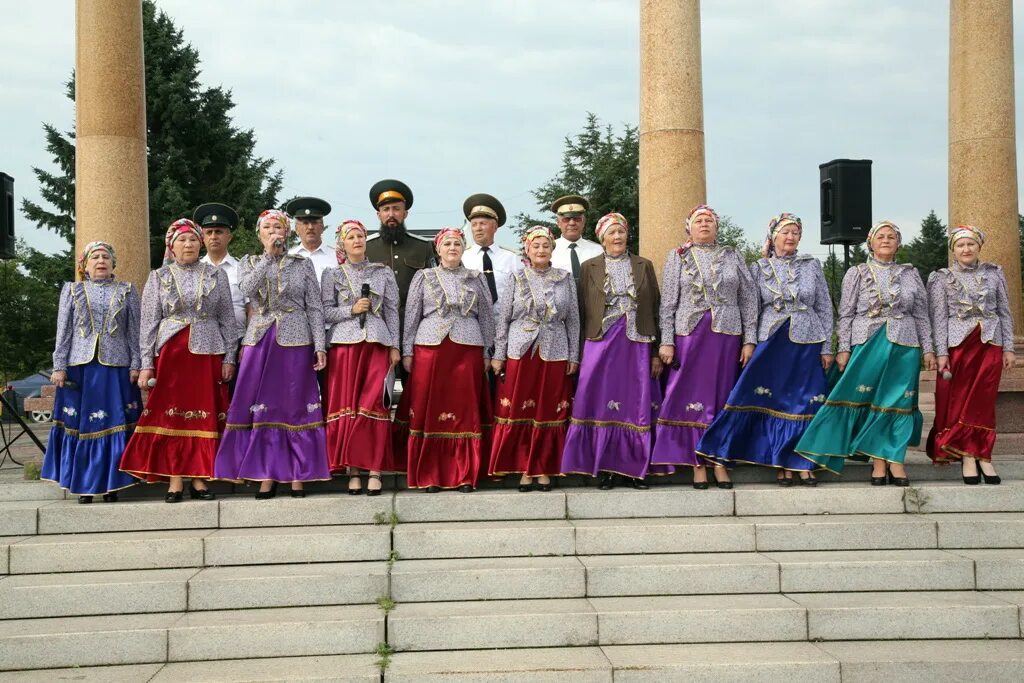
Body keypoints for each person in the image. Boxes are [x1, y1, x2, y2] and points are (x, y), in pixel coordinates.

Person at [796, 220, 936, 486]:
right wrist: (844, 348)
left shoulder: (910, 273)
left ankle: (894, 461)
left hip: (905, 343)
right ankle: (877, 461)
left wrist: (928, 348)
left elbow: (922, 315)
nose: (886, 240)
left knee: (899, 403)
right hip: (867, 341)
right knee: (866, 397)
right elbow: (846, 313)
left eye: (891, 236)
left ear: (898, 243)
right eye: (880, 236)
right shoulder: (857, 273)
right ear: (870, 242)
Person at [697, 213, 833, 486]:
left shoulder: (811, 265)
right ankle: (779, 460)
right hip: (771, 340)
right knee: (775, 398)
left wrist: (828, 346)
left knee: (805, 399)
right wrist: (749, 341)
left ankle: (803, 461)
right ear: (773, 237)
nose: (791, 237)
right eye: (786, 232)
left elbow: (825, 306)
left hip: (808, 338)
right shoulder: (758, 267)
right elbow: (751, 306)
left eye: (795, 232)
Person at [120, 219, 240, 502]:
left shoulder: (215, 275)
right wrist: (147, 362)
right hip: (172, 355)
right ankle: (175, 478)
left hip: (208, 351)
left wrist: (230, 356)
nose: (188, 245)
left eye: (193, 240)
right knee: (172, 415)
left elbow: (226, 318)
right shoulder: (158, 277)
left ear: (201, 244)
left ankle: (199, 477)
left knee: (204, 412)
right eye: (182, 241)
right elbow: (148, 322)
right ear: (171, 246)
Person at [215, 209, 330, 498]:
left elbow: (314, 306)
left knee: (294, 402)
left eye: (279, 227)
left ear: (287, 233)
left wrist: (319, 345)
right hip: (261, 337)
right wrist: (268, 256)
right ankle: (265, 472)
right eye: (268, 228)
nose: (274, 232)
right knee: (263, 403)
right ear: (259, 234)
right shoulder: (250, 262)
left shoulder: (301, 264)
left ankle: (297, 473)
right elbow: (247, 291)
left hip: (296, 337)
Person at [652, 205, 758, 489]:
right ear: (689, 227)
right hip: (689, 336)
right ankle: (697, 463)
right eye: (699, 220)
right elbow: (668, 303)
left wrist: (749, 340)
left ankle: (719, 461)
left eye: (709, 220)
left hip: (727, 337)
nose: (704, 224)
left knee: (721, 396)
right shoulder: (678, 256)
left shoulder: (733, 255)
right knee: (687, 395)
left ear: (717, 227)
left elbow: (748, 299)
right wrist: (666, 341)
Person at [561, 213, 662, 490]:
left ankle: (633, 469)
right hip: (600, 341)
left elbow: (655, 308)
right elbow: (580, 313)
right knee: (598, 401)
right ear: (602, 238)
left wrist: (655, 350)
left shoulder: (644, 265)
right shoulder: (589, 267)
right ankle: (603, 467)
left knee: (635, 405)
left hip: (637, 342)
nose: (617, 237)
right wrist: (578, 352)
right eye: (611, 233)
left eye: (621, 232)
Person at [394, 226, 495, 492]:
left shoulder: (475, 277)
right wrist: (407, 350)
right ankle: (431, 473)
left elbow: (486, 316)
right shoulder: (424, 277)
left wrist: (487, 351)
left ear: (464, 249)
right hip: (430, 348)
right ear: (438, 249)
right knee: (430, 408)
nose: (452, 248)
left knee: (464, 409)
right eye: (447, 244)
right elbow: (413, 314)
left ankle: (464, 473)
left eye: (458, 244)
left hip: (468, 348)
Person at [43, 241, 141, 503]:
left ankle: (111, 484)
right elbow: (63, 332)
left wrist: (136, 364)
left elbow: (135, 332)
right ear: (85, 265)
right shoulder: (72, 291)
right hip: (80, 369)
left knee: (113, 422)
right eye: (95, 257)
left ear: (113, 263)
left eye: (106, 257)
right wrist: (59, 366)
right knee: (81, 424)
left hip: (116, 368)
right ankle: (84, 484)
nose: (101, 261)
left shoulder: (128, 291)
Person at [489, 226, 580, 491]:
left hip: (555, 350)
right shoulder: (517, 278)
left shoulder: (565, 278)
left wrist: (574, 355)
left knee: (548, 407)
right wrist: (499, 355)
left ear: (553, 249)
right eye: (535, 246)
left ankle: (544, 468)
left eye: (546, 246)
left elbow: (573, 320)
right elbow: (503, 319)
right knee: (520, 406)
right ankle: (523, 468)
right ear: (526, 249)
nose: (541, 250)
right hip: (520, 349)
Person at [927, 224, 1017, 484]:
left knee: (984, 401)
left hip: (990, 342)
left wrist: (1008, 347)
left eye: (970, 244)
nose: (966, 249)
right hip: (959, 345)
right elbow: (939, 318)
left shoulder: (994, 274)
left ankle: (984, 455)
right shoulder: (941, 278)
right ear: (953, 250)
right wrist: (941, 352)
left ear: (979, 247)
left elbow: (1004, 312)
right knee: (961, 400)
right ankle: (967, 455)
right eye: (960, 245)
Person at [322, 219, 402, 496]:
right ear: (342, 243)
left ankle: (376, 468)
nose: (357, 240)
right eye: (351, 237)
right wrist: (352, 309)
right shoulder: (331, 274)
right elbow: (324, 312)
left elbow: (392, 311)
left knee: (374, 404)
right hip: (344, 346)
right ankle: (353, 469)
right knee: (348, 405)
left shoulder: (382, 273)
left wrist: (395, 346)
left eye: (360, 236)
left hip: (377, 343)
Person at [365, 179, 436, 356]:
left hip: (415, 328)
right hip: (377, 327)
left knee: (415, 382)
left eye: (396, 209)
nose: (391, 214)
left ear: (405, 213)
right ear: (378, 214)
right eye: (386, 209)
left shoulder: (423, 247)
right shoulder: (366, 247)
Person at [460, 193, 522, 309]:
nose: (478, 228)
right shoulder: (463, 257)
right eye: (474, 224)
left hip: (504, 321)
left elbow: (521, 292)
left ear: (495, 227)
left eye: (483, 224)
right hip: (472, 322)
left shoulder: (511, 258)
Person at [195, 203, 247, 330]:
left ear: (229, 237)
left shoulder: (242, 268)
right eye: (209, 232)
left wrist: (248, 344)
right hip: (204, 340)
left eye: (218, 232)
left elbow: (251, 309)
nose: (213, 237)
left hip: (238, 337)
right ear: (203, 238)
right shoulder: (195, 269)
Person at [550, 195, 602, 281]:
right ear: (558, 223)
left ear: (584, 222)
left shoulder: (598, 251)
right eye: (566, 219)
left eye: (577, 219)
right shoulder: (548, 251)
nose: (572, 223)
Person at [287, 197, 335, 281]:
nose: (310, 227)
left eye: (314, 222)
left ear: (322, 227)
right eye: (305, 223)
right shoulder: (288, 258)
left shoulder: (336, 257)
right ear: (296, 229)